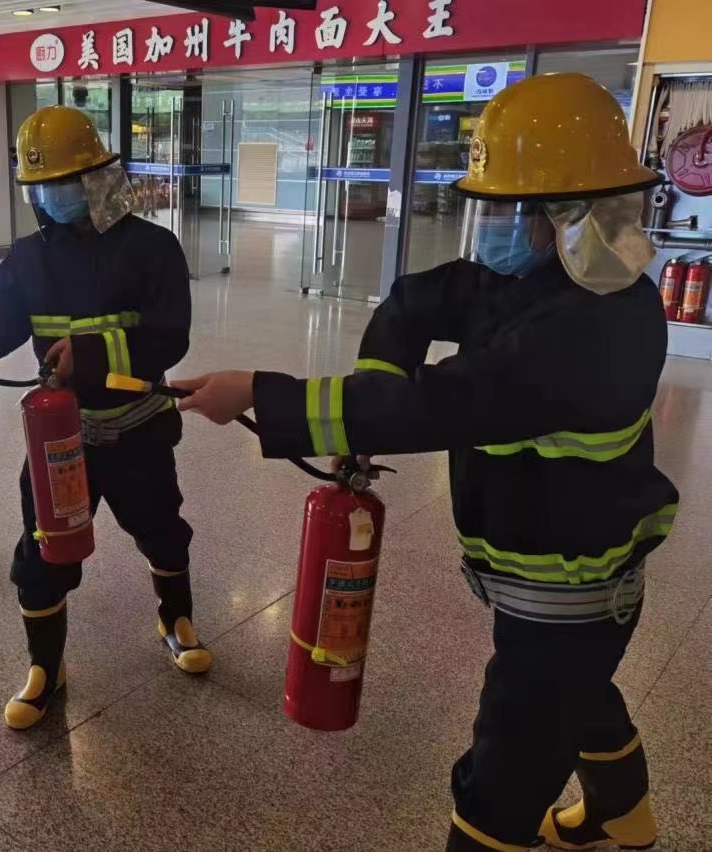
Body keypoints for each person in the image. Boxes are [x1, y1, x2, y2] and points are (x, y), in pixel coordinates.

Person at [172, 73, 679, 852]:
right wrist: (377, 377)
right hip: (543, 564)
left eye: (511, 212)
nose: (492, 231)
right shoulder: (532, 279)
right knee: (579, 696)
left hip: (572, 586)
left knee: (506, 766)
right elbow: (414, 300)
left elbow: (440, 404)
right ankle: (622, 815)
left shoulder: (593, 328)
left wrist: (262, 395)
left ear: (570, 218)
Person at [0, 106, 207, 731]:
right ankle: (45, 667)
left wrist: (91, 355)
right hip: (60, 443)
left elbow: (170, 335)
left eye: (65, 183)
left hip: (138, 431)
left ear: (98, 177)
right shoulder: (29, 257)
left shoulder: (153, 248)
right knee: (44, 553)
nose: (53, 197)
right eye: (41, 187)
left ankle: (176, 619)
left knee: (162, 530)